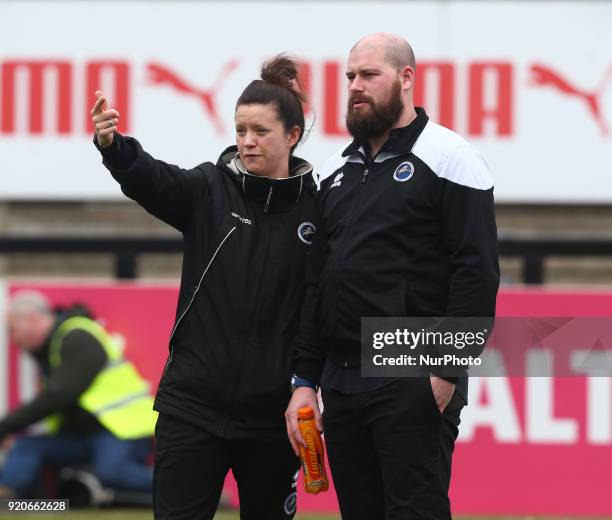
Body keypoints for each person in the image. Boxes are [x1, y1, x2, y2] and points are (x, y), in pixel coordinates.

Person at [91, 55, 318, 520]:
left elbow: (317, 312)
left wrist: (306, 385)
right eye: (240, 130)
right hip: (191, 409)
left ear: (292, 135)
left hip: (272, 421)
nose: (248, 141)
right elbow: (152, 180)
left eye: (261, 131)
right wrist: (113, 146)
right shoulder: (209, 189)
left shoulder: (319, 212)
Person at [286, 33, 500, 520]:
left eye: (368, 75)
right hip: (341, 378)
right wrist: (304, 380)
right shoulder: (335, 171)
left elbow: (477, 271)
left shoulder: (450, 156)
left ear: (406, 79)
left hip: (411, 365)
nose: (355, 87)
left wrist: (445, 372)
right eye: (349, 77)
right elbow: (317, 283)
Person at [0, 291, 156, 499]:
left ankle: (195, 488)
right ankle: (8, 498)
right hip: (84, 436)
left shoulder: (78, 335)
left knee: (112, 472)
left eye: (12, 330)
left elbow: (59, 395)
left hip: (122, 430)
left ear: (32, 319)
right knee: (28, 447)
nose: (13, 339)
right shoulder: (53, 349)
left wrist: (5, 426)